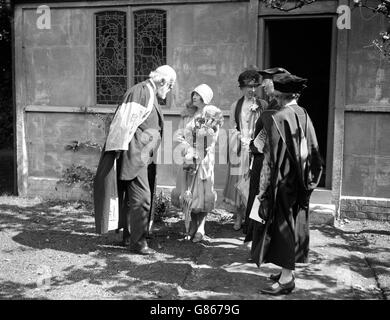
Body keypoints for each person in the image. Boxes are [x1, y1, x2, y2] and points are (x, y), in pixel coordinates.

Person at [250, 73, 323, 295]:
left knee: (283, 230)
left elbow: (271, 159)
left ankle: (286, 280)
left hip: (282, 182)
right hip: (300, 181)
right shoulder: (303, 113)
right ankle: (285, 271)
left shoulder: (279, 117)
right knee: (293, 225)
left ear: (280, 96)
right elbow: (313, 150)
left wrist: (262, 190)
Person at [93, 65, 177, 255]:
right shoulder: (141, 92)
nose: (170, 90)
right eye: (170, 85)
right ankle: (138, 243)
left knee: (133, 199)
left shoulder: (148, 92)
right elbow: (122, 123)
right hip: (135, 155)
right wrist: (116, 154)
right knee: (142, 199)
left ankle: (130, 236)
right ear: (162, 81)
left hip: (142, 155)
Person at [243, 67, 290, 238]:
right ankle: (253, 232)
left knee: (261, 198)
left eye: (267, 84)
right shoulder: (272, 103)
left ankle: (259, 236)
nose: (263, 87)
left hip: (267, 160)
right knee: (255, 195)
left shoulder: (280, 106)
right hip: (260, 157)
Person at [172, 84, 223, 242]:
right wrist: (188, 148)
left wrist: (200, 151)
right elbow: (180, 134)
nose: (194, 97)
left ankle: (201, 227)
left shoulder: (212, 114)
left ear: (205, 97)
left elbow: (213, 138)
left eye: (198, 95)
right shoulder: (188, 114)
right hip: (188, 157)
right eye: (193, 94)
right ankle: (192, 225)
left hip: (204, 159)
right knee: (189, 193)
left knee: (202, 193)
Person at [223, 68, 267, 231]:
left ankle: (254, 219)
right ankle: (239, 216)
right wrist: (241, 139)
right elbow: (232, 127)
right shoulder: (236, 105)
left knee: (255, 185)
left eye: (255, 86)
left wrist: (258, 143)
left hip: (258, 151)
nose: (252, 90)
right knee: (239, 184)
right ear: (241, 88)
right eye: (248, 87)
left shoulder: (263, 105)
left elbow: (266, 128)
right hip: (241, 150)